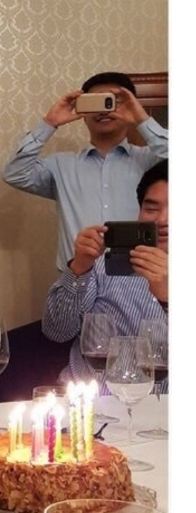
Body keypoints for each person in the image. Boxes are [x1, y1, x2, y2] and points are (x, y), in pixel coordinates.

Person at [2, 72, 168, 270]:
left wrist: (142, 119)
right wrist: (49, 123)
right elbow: (14, 173)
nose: (104, 110)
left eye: (113, 101)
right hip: (78, 277)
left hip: (141, 276)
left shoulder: (152, 161)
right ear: (84, 113)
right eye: (95, 102)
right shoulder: (61, 166)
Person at [42, 160, 168, 392]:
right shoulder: (103, 265)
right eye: (151, 209)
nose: (162, 220)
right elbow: (57, 331)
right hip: (91, 403)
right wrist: (79, 267)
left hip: (163, 408)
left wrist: (168, 300)